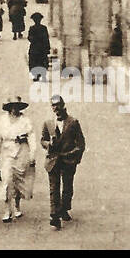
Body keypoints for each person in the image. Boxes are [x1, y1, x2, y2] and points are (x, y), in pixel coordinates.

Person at [41, 95, 85, 230]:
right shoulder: (48, 123)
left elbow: (81, 144)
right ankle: (54, 216)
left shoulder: (73, 122)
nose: (56, 109)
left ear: (63, 105)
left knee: (67, 188)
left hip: (68, 160)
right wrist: (49, 144)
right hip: (53, 160)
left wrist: (74, 157)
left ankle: (64, 209)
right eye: (53, 106)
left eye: (58, 105)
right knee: (54, 188)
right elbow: (43, 140)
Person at [0, 95, 36, 223]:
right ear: (9, 108)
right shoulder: (2, 120)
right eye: (12, 107)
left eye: (17, 107)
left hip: (22, 151)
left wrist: (32, 154)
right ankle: (7, 209)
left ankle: (16, 205)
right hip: (6, 152)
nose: (14, 109)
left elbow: (31, 137)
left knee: (18, 181)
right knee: (7, 181)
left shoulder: (25, 120)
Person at [28, 12, 51, 80]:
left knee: (34, 61)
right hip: (42, 48)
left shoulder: (32, 28)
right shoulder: (43, 28)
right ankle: (42, 75)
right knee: (42, 61)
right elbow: (46, 38)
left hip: (35, 47)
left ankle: (36, 75)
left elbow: (29, 38)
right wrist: (47, 47)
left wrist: (33, 39)